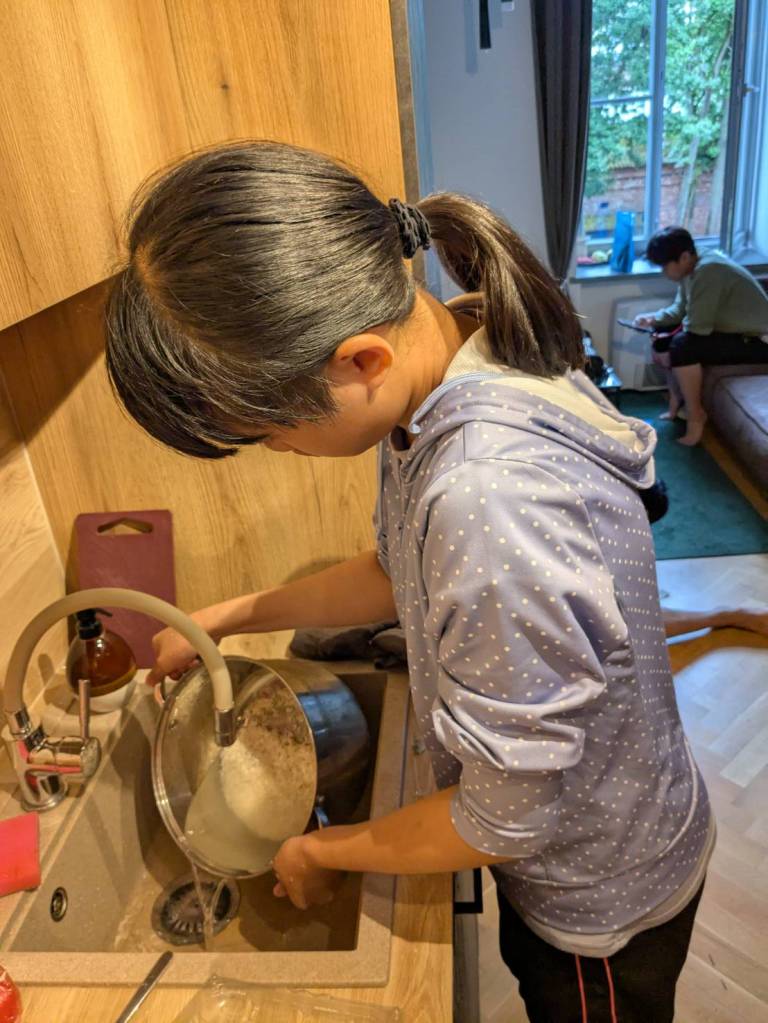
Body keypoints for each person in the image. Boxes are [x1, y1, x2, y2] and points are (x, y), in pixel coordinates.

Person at [106, 141, 714, 1023]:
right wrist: (223, 617)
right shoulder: (450, 350)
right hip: (603, 822)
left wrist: (324, 851)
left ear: (359, 362)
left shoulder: (488, 494)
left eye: (268, 432)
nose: (277, 449)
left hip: (601, 892)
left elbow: (505, 818)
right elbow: (401, 574)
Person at [633, 226, 768, 446]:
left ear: (684, 257)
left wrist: (668, 338)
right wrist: (653, 319)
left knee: (682, 346)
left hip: (758, 341)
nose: (664, 273)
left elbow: (697, 328)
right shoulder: (692, 266)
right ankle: (676, 401)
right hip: (734, 332)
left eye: (665, 266)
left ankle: (696, 416)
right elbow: (681, 309)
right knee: (663, 337)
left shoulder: (709, 271)